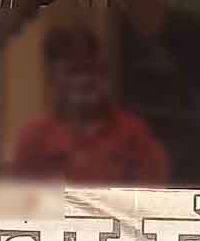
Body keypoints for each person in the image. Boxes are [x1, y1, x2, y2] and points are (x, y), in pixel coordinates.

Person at [10, 25, 170, 185]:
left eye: (91, 69)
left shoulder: (135, 136)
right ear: (53, 78)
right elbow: (18, 203)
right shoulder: (33, 140)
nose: (84, 80)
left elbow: (150, 201)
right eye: (73, 71)